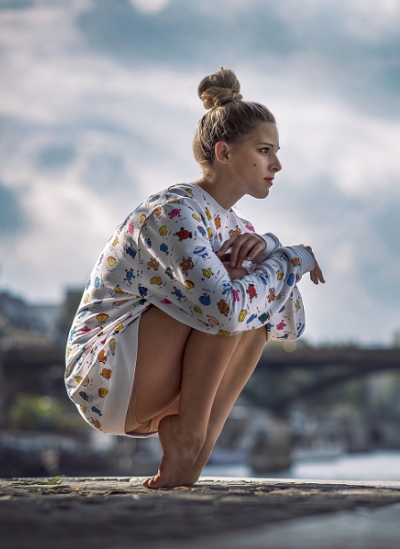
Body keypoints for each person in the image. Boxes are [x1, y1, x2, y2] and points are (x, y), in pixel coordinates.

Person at [64, 68, 325, 489]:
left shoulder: (239, 227)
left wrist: (273, 249)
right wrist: (294, 259)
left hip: (146, 384)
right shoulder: (173, 212)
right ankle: (189, 435)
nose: (277, 164)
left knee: (248, 298)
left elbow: (286, 321)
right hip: (104, 374)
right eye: (264, 150)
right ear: (224, 153)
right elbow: (226, 309)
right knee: (234, 290)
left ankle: (194, 449)